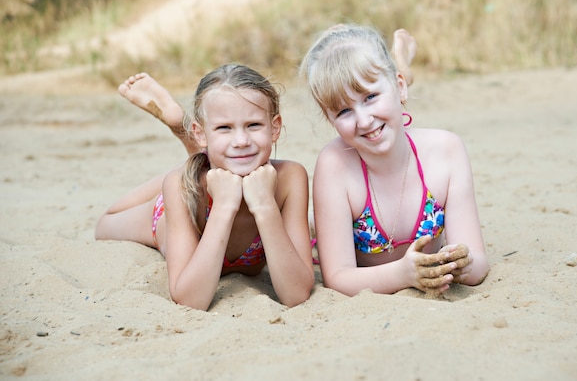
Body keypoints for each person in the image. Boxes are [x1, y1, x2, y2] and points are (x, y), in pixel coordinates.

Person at [95, 64, 315, 310]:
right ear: (201, 133)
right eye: (224, 128)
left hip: (203, 172)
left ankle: (202, 154)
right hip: (184, 202)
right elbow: (190, 300)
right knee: (106, 224)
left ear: (274, 127)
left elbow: (296, 294)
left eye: (253, 125)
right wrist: (223, 206)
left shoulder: (290, 178)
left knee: (215, 161)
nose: (242, 141)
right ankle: (195, 151)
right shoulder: (180, 186)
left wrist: (265, 206)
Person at [300, 24, 489, 297]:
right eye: (343, 111)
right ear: (329, 118)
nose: (364, 120)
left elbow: (478, 263)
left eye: (370, 97)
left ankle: (401, 61)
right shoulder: (334, 165)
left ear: (399, 88)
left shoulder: (447, 150)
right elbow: (338, 278)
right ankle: (391, 71)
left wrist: (461, 264)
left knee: (386, 96)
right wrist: (404, 273)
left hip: (399, 95)